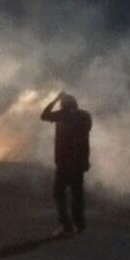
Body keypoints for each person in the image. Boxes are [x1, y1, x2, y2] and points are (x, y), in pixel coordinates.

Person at [39, 91, 92, 238]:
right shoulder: (85, 116)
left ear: (64, 106)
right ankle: (79, 225)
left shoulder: (64, 115)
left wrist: (56, 99)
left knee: (59, 193)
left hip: (65, 162)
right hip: (80, 162)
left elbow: (44, 115)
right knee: (77, 195)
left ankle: (67, 226)